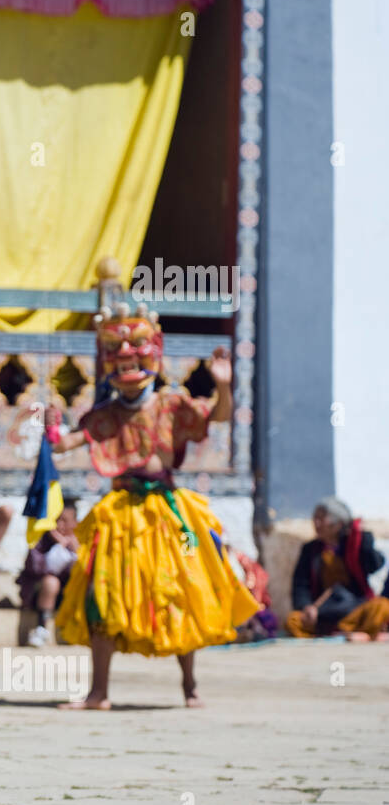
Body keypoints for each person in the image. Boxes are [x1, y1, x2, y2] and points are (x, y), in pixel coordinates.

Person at [47, 300, 259, 709]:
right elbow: (66, 442)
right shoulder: (105, 414)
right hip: (120, 516)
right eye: (118, 355)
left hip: (166, 512)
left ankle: (190, 684)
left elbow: (217, 416)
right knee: (103, 595)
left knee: (180, 587)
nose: (127, 362)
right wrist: (49, 429)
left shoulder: (170, 405)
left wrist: (223, 385)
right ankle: (99, 692)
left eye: (136, 350)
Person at [286, 497, 389, 641]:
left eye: (322, 519)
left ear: (338, 524)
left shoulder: (355, 543)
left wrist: (363, 540)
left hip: (354, 606)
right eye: (315, 518)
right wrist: (306, 606)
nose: (316, 523)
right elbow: (300, 584)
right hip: (323, 611)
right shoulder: (310, 550)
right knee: (294, 620)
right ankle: (352, 633)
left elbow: (375, 565)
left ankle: (360, 633)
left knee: (382, 607)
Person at [15, 498, 79, 647]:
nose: (59, 525)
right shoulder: (40, 539)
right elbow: (36, 567)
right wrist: (59, 547)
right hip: (39, 593)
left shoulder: (79, 541)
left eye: (65, 521)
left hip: (68, 594)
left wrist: (77, 551)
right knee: (51, 582)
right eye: (56, 520)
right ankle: (41, 627)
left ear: (75, 523)